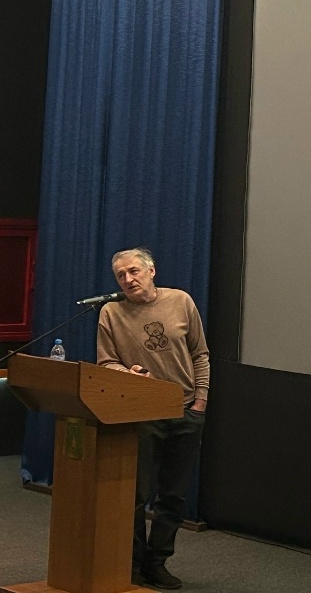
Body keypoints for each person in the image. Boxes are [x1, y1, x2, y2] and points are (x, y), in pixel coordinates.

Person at [97, 247, 209, 591]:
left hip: (185, 410)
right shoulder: (110, 312)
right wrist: (126, 371)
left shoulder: (181, 301)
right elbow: (105, 364)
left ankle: (156, 562)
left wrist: (200, 402)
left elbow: (200, 353)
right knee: (135, 494)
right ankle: (130, 564)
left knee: (172, 496)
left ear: (151, 271)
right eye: (121, 275)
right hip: (141, 414)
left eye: (134, 271)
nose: (128, 279)